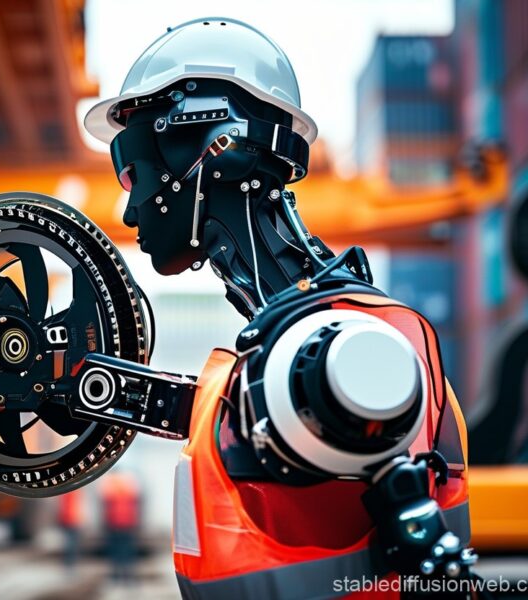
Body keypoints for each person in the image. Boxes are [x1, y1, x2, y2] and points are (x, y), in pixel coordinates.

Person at [83, 18, 476, 599]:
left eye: (132, 171)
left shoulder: (354, 349)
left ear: (206, 144)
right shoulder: (298, 350)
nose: (132, 211)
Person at [99, 470, 141, 583]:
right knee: (127, 549)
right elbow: (136, 504)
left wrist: (105, 522)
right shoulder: (130, 484)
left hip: (114, 523)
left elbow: (105, 505)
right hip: (127, 523)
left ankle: (117, 575)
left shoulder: (110, 485)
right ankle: (127, 575)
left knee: (115, 550)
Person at [57, 488, 84, 573]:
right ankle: (70, 566)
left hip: (71, 519)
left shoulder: (67, 491)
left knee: (70, 544)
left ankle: (70, 566)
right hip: (72, 520)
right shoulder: (72, 491)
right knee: (71, 545)